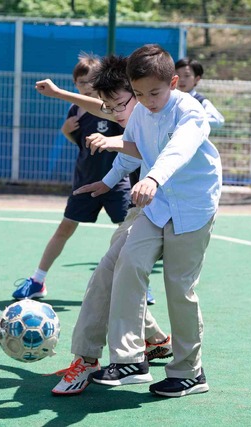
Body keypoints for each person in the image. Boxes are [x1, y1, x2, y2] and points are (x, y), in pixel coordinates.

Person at [79, 44, 221, 398]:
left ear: (173, 83)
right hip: (157, 207)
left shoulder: (191, 112)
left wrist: (153, 179)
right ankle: (129, 359)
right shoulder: (142, 111)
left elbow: (178, 150)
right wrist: (108, 182)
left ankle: (190, 371)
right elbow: (135, 150)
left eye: (155, 92)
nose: (147, 100)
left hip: (191, 208)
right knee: (128, 261)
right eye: (139, 94)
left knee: (179, 290)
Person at [35, 55, 173, 396]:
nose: (113, 112)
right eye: (109, 107)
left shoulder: (163, 113)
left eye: (118, 104)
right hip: (147, 210)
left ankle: (89, 359)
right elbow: (104, 111)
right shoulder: (135, 110)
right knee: (116, 276)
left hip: (170, 212)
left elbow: (154, 150)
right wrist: (60, 94)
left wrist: (112, 143)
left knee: (105, 278)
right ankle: (156, 340)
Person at [12, 53, 130, 301]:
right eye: (81, 82)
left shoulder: (116, 108)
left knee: (128, 232)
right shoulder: (75, 110)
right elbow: (81, 144)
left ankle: (134, 281)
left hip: (116, 182)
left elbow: (132, 140)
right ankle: (38, 280)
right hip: (85, 180)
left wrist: (110, 142)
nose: (86, 87)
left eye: (91, 82)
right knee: (65, 228)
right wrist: (67, 132)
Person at [174, 57, 225, 129]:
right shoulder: (168, 98)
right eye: (178, 75)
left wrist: (193, 119)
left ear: (196, 79)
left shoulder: (201, 101)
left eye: (187, 75)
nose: (181, 79)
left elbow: (218, 121)